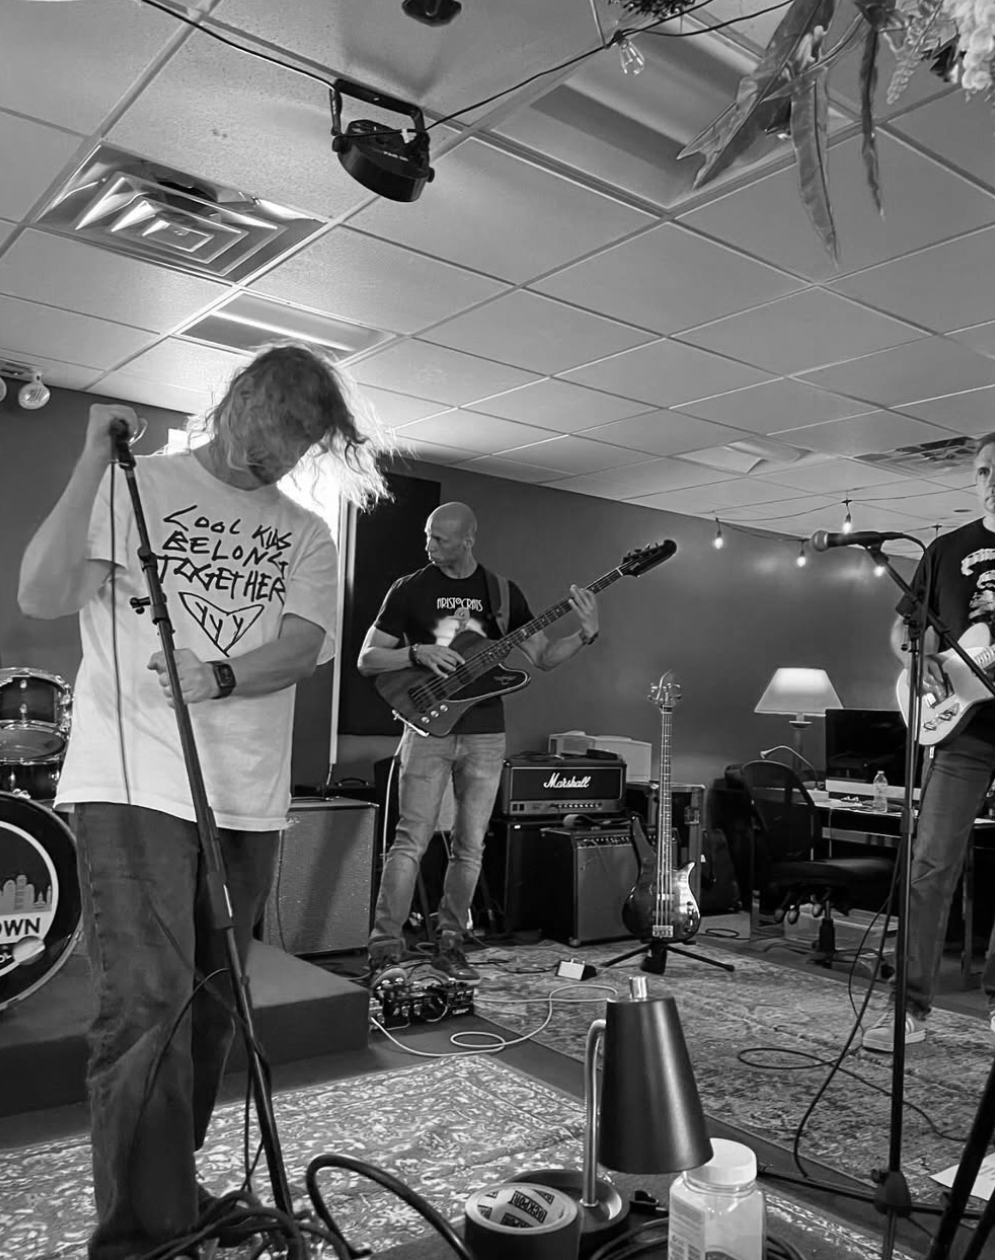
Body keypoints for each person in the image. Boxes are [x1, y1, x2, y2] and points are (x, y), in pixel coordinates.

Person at [18, 343, 386, 1260]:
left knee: (214, 1009)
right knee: (148, 999)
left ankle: (165, 1193)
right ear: (238, 399)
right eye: (273, 433)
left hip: (244, 800)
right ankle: (142, 1238)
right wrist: (92, 459)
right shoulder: (137, 485)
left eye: (300, 446)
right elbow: (42, 591)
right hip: (133, 781)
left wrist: (217, 675)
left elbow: (304, 647)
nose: (278, 458)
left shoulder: (306, 531)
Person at [357, 501, 600, 985]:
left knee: (470, 845)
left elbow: (545, 657)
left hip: (486, 733)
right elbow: (368, 658)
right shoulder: (410, 588)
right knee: (410, 841)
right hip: (426, 727)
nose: (428, 547)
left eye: (439, 539)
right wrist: (415, 651)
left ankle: (451, 942)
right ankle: (385, 947)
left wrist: (586, 634)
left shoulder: (503, 594)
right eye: (427, 536)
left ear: (468, 539)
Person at [863, 428, 995, 1053]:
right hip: (960, 728)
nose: (992, 481)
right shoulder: (948, 548)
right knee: (930, 866)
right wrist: (914, 658)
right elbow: (910, 628)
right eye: (982, 471)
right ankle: (910, 1008)